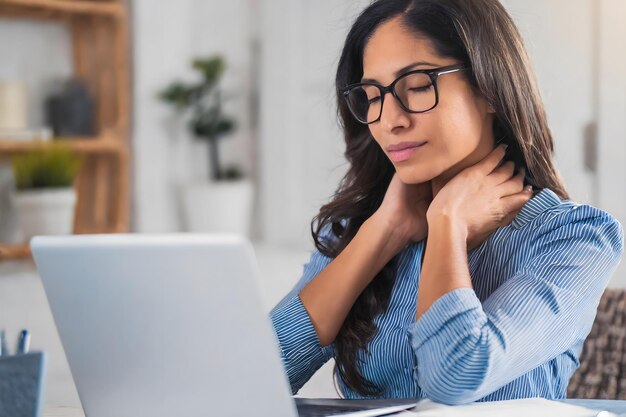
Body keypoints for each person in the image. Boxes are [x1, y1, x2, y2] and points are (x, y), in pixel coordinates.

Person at [270, 0, 624, 405]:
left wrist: (447, 224)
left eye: (418, 86)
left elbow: (457, 375)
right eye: (372, 96)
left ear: (491, 87)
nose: (390, 120)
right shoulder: (356, 228)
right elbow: (254, 374)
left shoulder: (575, 238)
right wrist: (382, 233)